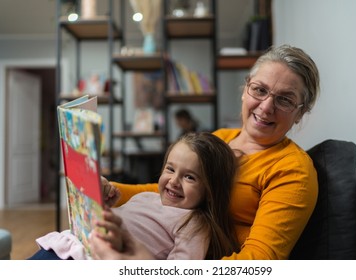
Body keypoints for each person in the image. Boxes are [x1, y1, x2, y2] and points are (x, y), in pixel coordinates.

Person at [89, 44, 321, 260]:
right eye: (259, 90)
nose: (266, 107)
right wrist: (111, 190)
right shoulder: (221, 138)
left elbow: (260, 261)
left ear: (300, 112)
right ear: (245, 89)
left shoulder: (293, 170)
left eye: (285, 100)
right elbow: (168, 190)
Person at [28, 132, 240, 260]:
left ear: (210, 191)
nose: (174, 181)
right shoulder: (146, 197)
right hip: (67, 246)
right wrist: (102, 205)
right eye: (170, 169)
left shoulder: (194, 223)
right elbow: (115, 225)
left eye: (190, 177)